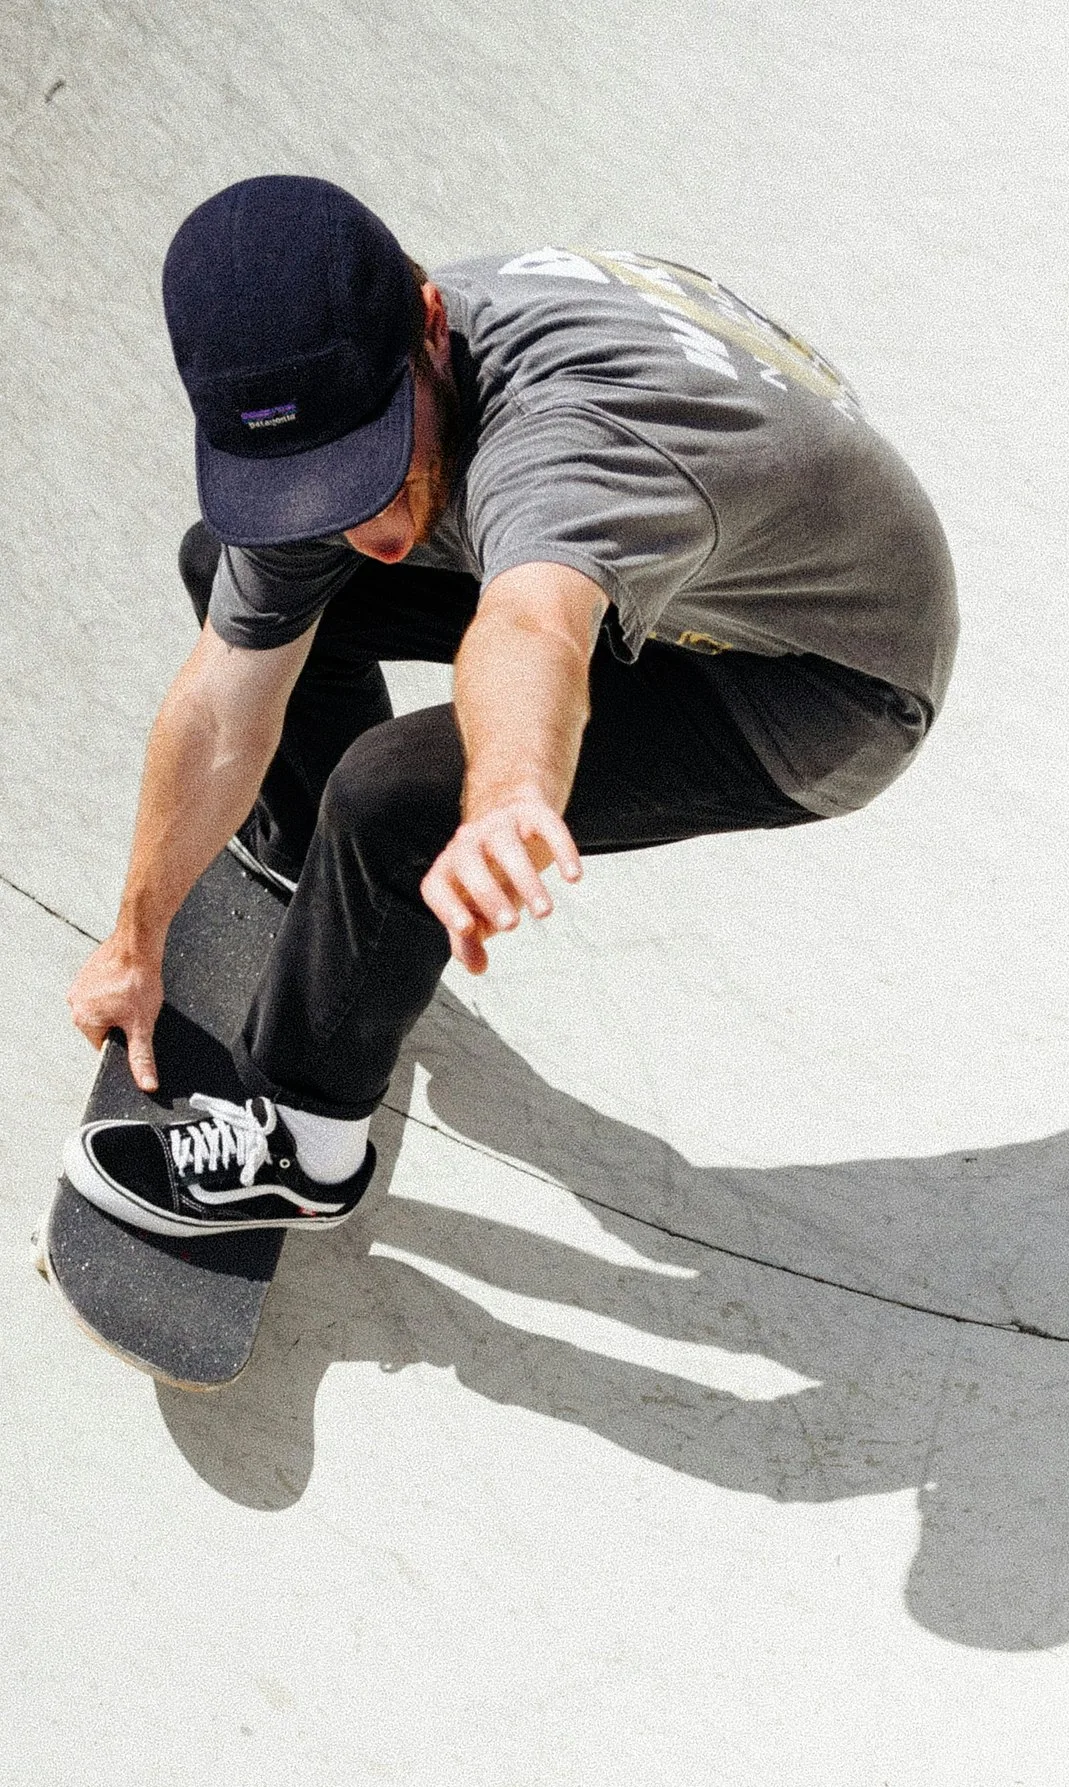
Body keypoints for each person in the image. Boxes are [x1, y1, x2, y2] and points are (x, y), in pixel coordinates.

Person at [64, 176, 957, 1241]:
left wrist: (505, 795)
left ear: (431, 326)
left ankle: (306, 1149)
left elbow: (533, 628)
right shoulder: (345, 377)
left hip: (817, 676)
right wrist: (135, 935)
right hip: (679, 550)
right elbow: (223, 705)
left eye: (378, 474)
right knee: (236, 573)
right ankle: (320, 871)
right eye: (321, 490)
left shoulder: (569, 440)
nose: (374, 534)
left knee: (395, 798)